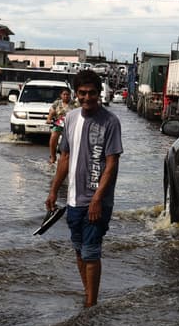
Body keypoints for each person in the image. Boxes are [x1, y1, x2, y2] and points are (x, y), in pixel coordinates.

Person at [45, 69, 123, 308]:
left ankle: (91, 304)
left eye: (91, 93)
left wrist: (98, 198)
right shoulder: (70, 119)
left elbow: (111, 163)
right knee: (79, 249)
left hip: (97, 201)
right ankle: (88, 294)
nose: (87, 97)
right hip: (73, 200)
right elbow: (65, 157)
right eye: (82, 93)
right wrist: (52, 191)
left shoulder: (110, 122)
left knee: (91, 252)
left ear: (99, 94)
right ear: (76, 94)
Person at [46, 87, 73, 165]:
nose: (66, 96)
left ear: (70, 95)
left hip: (70, 125)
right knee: (53, 137)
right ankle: (53, 156)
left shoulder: (75, 104)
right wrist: (49, 119)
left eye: (67, 94)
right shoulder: (57, 103)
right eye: (64, 94)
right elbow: (52, 112)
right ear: (61, 95)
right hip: (59, 123)